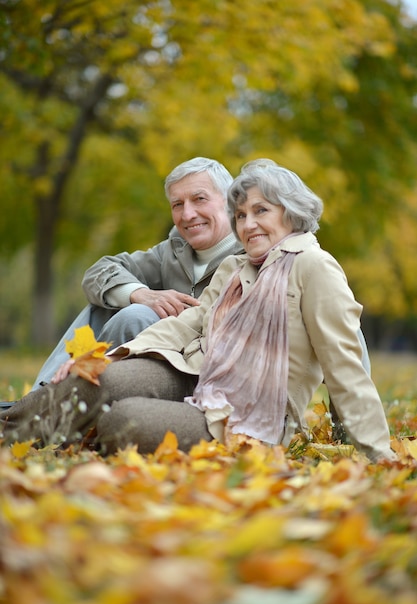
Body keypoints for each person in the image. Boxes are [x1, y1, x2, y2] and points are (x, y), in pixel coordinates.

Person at [0, 159, 395, 463]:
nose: (248, 224)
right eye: (241, 215)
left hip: (249, 417)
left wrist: (378, 452)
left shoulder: (314, 267)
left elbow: (345, 363)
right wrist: (106, 356)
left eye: (261, 211)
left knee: (122, 418)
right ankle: (8, 430)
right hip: (197, 378)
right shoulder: (235, 268)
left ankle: (76, 428)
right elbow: (187, 324)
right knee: (102, 379)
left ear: (290, 213)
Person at [31, 157, 243, 389]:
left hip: (197, 374)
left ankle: (62, 401)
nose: (188, 214)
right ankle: (43, 392)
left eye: (199, 199)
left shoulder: (248, 255)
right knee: (106, 301)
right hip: (142, 362)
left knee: (136, 316)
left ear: (228, 201)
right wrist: (139, 293)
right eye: (177, 204)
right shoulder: (172, 251)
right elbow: (97, 273)